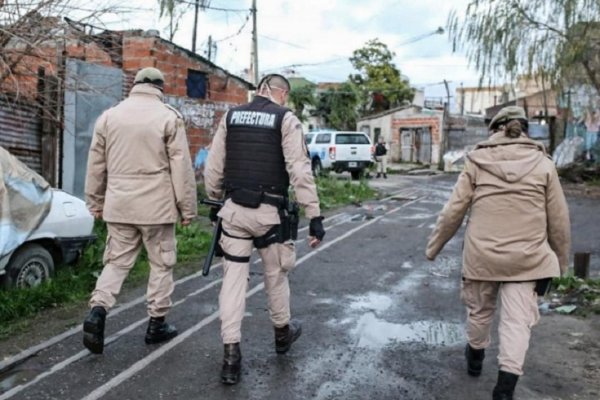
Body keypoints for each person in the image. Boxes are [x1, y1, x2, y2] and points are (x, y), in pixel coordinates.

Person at [425, 106, 570, 400]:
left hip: (482, 257)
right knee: (518, 322)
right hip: (528, 260)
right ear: (524, 130)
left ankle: (476, 358)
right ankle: (505, 389)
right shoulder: (544, 165)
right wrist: (560, 264)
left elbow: (454, 210)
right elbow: (559, 220)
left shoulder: (476, 162)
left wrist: (434, 247)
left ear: (495, 130)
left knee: (479, 312)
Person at [204, 73, 325, 385]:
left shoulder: (231, 116)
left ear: (259, 90)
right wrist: (314, 214)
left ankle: (231, 356)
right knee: (276, 274)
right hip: (270, 214)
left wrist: (215, 199)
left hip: (233, 212)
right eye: (286, 96)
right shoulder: (285, 119)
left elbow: (215, 166)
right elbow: (299, 169)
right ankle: (282, 334)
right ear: (280, 93)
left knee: (232, 281)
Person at [83, 67, 197, 354]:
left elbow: (96, 164)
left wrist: (94, 202)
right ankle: (156, 324)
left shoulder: (109, 116)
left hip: (119, 205)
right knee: (161, 264)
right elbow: (181, 168)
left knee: (117, 262)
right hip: (156, 208)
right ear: (160, 87)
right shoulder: (169, 117)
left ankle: (98, 309)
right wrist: (187, 209)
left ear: (134, 85)